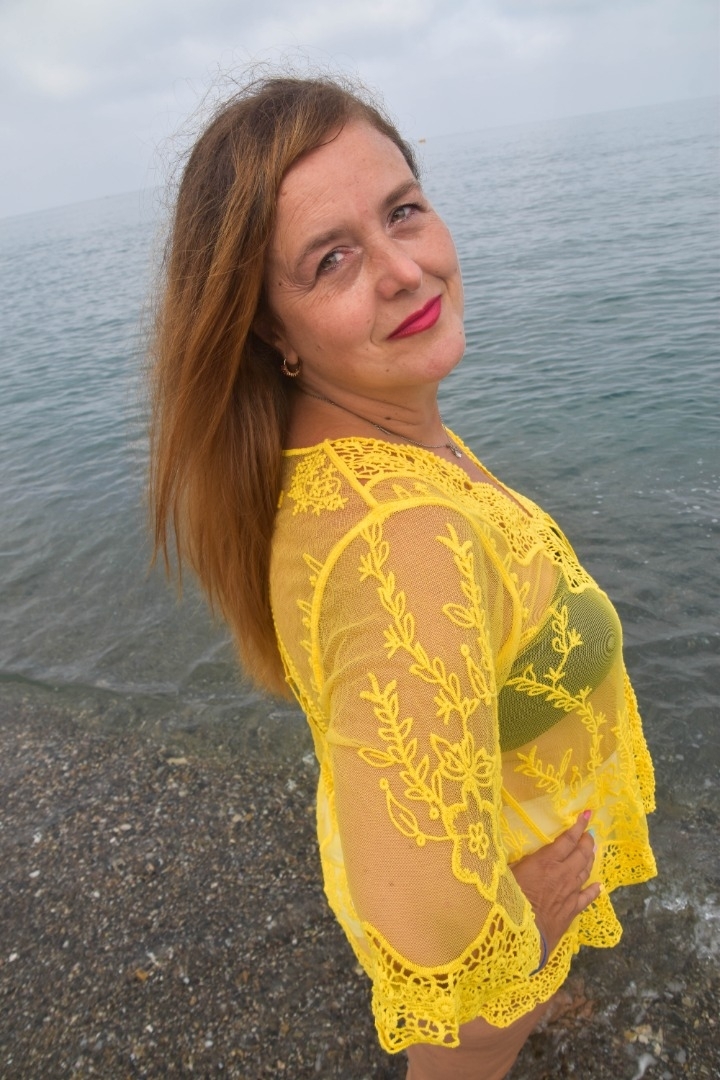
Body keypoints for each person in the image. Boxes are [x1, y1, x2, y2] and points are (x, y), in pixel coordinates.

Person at [149, 73, 656, 1079]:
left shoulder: (362, 441)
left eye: (403, 212)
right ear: (269, 329)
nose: (404, 270)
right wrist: (516, 943)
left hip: (465, 826)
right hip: (495, 899)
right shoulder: (401, 539)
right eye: (331, 260)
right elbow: (430, 920)